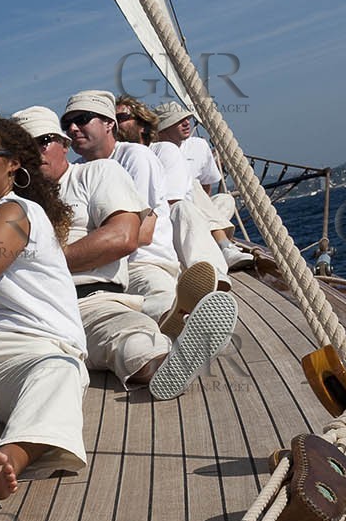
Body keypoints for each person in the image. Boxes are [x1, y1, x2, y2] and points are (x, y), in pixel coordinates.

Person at [14, 106, 238, 402]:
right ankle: (179, 329)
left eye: (42, 142)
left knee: (136, 346)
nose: (34, 154)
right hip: (31, 320)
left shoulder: (98, 172)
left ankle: (177, 346)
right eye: (22, 150)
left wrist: (37, 264)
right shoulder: (10, 203)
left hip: (94, 302)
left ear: (63, 145)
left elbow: (122, 238)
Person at [0, 117, 87, 501]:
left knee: (60, 375)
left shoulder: (16, 213)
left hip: (36, 349)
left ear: (12, 164)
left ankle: (9, 457)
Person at [62, 90, 186, 320]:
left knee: (162, 306)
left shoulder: (134, 157)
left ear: (109, 123)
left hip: (142, 264)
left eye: (82, 119)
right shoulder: (74, 171)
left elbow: (142, 232)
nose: (72, 129)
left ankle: (186, 324)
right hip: (98, 272)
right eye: (66, 123)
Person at [117, 95, 231, 284]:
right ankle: (219, 245)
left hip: (169, 223)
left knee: (187, 207)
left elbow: (173, 202)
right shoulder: (110, 162)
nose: (114, 124)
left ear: (142, 124)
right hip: (159, 232)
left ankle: (211, 273)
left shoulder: (163, 150)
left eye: (121, 118)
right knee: (192, 201)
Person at [153, 100, 252, 270]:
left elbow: (208, 187)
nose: (186, 123)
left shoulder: (199, 145)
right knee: (194, 184)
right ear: (162, 129)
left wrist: (199, 215)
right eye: (177, 121)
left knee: (226, 200)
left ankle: (211, 239)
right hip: (173, 216)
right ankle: (224, 246)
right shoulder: (153, 151)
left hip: (197, 210)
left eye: (187, 118)